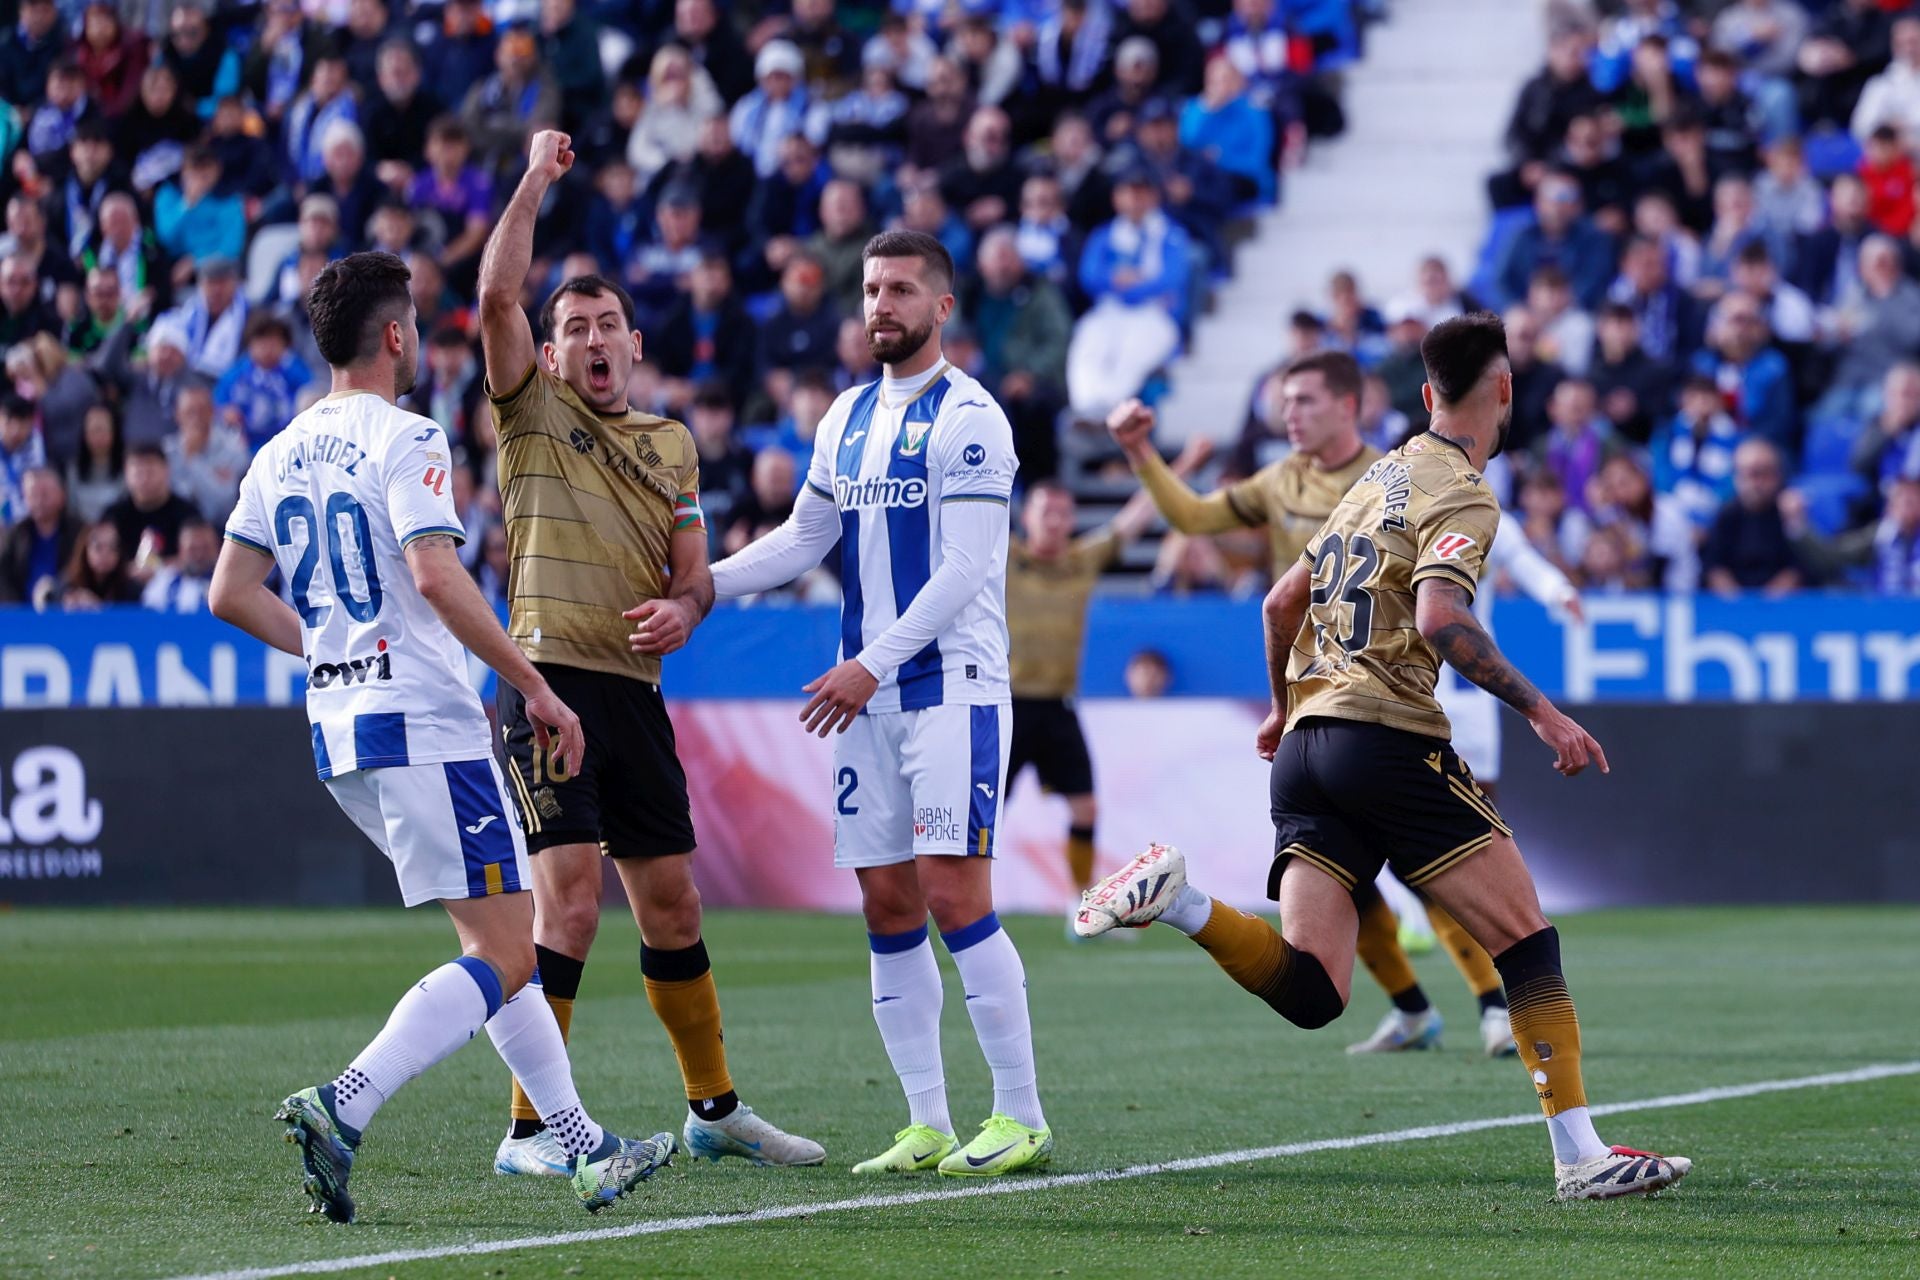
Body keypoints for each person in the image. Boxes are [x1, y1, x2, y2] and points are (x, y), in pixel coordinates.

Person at [1076, 312, 1691, 1202]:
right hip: (1385, 736)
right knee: (1525, 938)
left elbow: (1279, 606)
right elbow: (1443, 618)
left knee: (1313, 991)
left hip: (1309, 746)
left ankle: (1184, 902)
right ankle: (1581, 1155)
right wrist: (1544, 712)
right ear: (1505, 388)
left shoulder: (1374, 478)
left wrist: (1288, 712)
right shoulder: (1466, 491)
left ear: (1426, 392)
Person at [208, 250, 674, 1223]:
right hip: (425, 720)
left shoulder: (277, 449)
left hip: (341, 733)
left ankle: (582, 1146)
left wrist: (330, 651)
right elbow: (435, 573)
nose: (419, 336)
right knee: (509, 952)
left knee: (493, 935)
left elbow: (229, 591)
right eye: (414, 320)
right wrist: (534, 685)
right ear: (392, 334)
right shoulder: (408, 434)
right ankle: (344, 1101)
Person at [475, 131, 821, 1175]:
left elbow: (697, 573)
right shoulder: (528, 411)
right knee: (569, 894)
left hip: (634, 691)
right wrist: (536, 179)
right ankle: (531, 1131)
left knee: (672, 901)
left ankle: (714, 1107)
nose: (587, 338)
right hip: (545, 687)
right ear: (547, 349)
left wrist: (687, 609)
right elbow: (497, 297)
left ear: (632, 343)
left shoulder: (672, 440)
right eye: (569, 325)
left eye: (603, 325)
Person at [708, 229, 1053, 1178]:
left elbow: (965, 569)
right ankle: (927, 1121)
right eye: (870, 290)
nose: (880, 306)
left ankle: (1021, 1115)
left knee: (953, 893)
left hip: (951, 687)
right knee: (886, 901)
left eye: (901, 290)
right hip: (866, 700)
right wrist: (704, 581)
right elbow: (800, 539)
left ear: (943, 307)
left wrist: (870, 661)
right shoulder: (846, 416)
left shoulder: (972, 417)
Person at [1347, 510, 1582, 1057]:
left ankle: (1501, 1003)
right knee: (1393, 853)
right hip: (1399, 695)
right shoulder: (1389, 500)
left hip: (1461, 696)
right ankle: (1461, 1004)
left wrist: (1557, 590)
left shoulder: (1471, 506)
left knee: (1479, 845)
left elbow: (1518, 558)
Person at [1005, 478, 1174, 933]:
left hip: (1058, 704)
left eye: (1064, 514)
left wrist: (1177, 468)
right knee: (981, 813)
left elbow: (1131, 521)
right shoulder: (1002, 557)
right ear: (1027, 518)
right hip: (1004, 706)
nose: (1056, 522)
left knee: (1085, 809)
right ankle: (961, 903)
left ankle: (1077, 905)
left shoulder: (1080, 562)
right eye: (1047, 513)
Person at [1106, 351, 1377, 583]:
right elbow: (1193, 518)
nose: (1289, 416)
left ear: (1346, 406)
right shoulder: (1279, 479)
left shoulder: (1391, 480)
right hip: (1297, 642)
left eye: (1304, 401)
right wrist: (1138, 449)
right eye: (1287, 402)